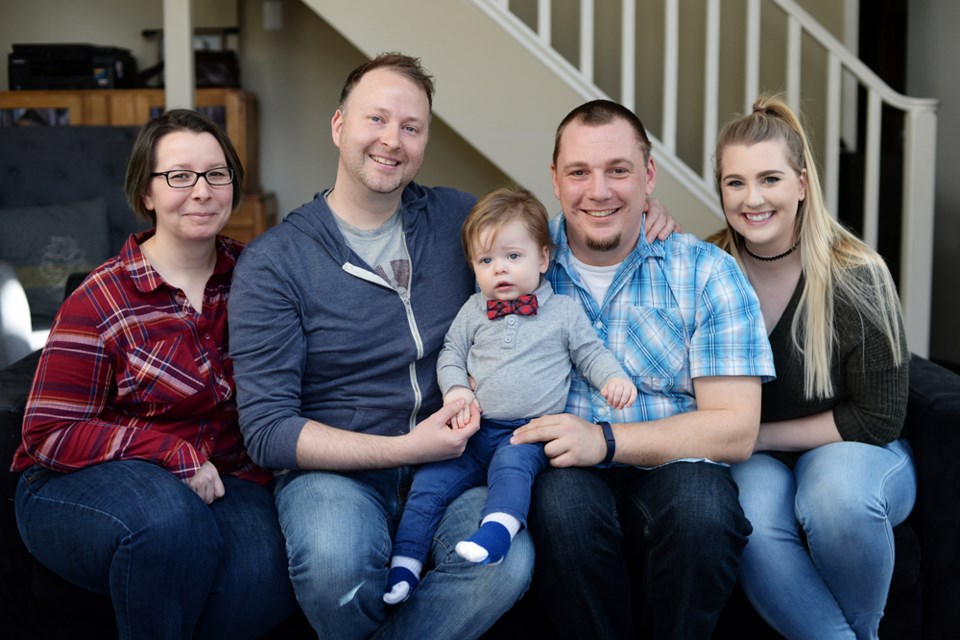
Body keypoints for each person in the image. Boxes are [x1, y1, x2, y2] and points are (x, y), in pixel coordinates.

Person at [11, 109, 296, 639]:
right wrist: (170, 454)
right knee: (169, 523)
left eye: (217, 173)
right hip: (82, 482)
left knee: (261, 577)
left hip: (229, 480)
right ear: (146, 192)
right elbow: (47, 433)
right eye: (179, 176)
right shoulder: (101, 297)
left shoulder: (259, 279)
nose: (202, 191)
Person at [507, 99, 777, 639]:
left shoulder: (705, 271)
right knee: (558, 508)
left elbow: (736, 427)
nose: (599, 191)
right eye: (580, 172)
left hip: (676, 465)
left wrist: (606, 440)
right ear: (555, 180)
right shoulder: (517, 265)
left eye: (619, 171)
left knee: (703, 508)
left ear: (649, 175)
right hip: (566, 471)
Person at [708, 95, 915, 639]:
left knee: (835, 496)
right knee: (745, 508)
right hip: (756, 460)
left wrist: (751, 435)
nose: (752, 199)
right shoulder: (706, 268)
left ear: (802, 183)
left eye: (770, 179)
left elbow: (879, 420)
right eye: (735, 182)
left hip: (859, 452)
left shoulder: (856, 274)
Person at [383, 185, 638, 605]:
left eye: (512, 257)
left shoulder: (564, 312)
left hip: (527, 431)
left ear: (542, 258)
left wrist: (613, 379)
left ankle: (497, 532)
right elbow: (451, 354)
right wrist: (458, 391)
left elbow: (591, 354)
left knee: (513, 470)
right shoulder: (472, 309)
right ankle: (404, 566)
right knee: (428, 483)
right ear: (473, 266)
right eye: (486, 260)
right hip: (472, 431)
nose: (499, 269)